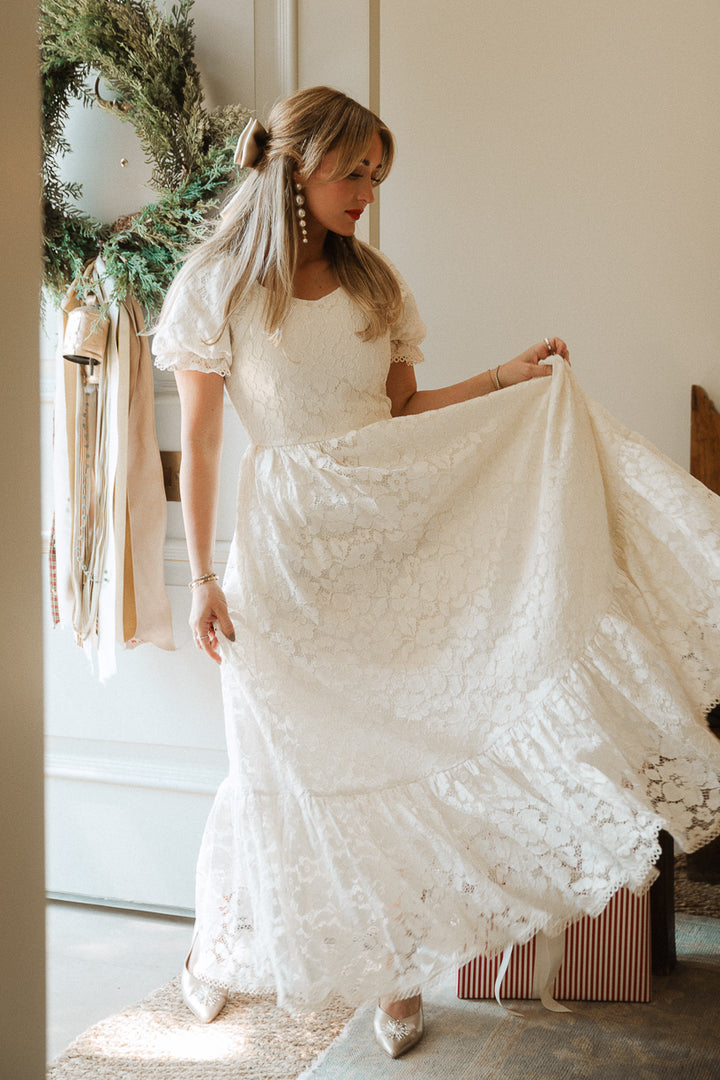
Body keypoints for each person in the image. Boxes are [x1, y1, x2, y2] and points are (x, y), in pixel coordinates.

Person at [153, 86, 720, 1059]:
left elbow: (402, 412)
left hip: (388, 540)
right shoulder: (219, 290)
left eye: (378, 174)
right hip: (285, 558)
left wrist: (506, 382)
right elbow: (200, 446)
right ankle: (219, 954)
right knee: (273, 763)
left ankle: (403, 971)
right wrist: (203, 574)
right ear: (301, 166)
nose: (369, 191)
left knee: (401, 757)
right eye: (355, 171)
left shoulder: (375, 286)